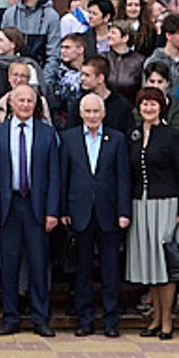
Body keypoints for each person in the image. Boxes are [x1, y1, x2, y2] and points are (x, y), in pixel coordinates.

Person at [0, 73, 61, 338]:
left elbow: (54, 175)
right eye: (21, 101)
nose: (26, 105)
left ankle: (40, 318)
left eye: (30, 101)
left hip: (37, 207)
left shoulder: (48, 133)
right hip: (9, 206)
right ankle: (11, 316)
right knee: (9, 265)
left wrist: (53, 211)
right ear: (12, 104)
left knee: (39, 265)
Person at [56, 89, 131, 337]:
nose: (92, 115)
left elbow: (123, 178)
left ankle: (111, 320)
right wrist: (64, 209)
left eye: (96, 111)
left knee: (110, 269)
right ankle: (85, 319)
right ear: (80, 113)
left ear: (104, 113)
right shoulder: (68, 139)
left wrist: (124, 211)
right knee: (83, 270)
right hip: (79, 212)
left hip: (109, 213)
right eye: (87, 111)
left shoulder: (117, 139)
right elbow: (63, 176)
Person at [124, 82, 179, 339]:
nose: (148, 108)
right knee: (149, 264)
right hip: (140, 204)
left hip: (167, 204)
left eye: (153, 103)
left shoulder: (172, 135)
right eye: (144, 103)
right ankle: (154, 318)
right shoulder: (134, 134)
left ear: (161, 107)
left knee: (166, 264)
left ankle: (167, 320)